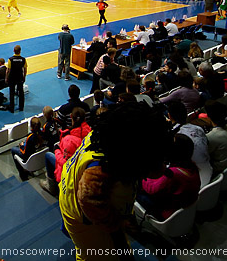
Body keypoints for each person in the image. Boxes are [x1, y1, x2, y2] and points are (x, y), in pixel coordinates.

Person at [59, 102, 171, 260]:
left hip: (91, 204)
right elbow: (88, 199)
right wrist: (116, 228)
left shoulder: (108, 138)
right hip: (83, 218)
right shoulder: (98, 172)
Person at [137, 134, 201, 220]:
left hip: (170, 213)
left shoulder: (173, 175)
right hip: (184, 206)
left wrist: (144, 176)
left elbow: (151, 189)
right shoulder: (191, 165)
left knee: (137, 191)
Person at [6, 45, 28, 112]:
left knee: (12, 93)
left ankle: (12, 107)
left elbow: (8, 70)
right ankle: (21, 107)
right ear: (20, 51)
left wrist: (6, 78)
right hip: (20, 77)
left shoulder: (10, 59)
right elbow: (25, 69)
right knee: (21, 93)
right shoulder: (23, 59)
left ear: (14, 51)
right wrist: (24, 77)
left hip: (12, 78)